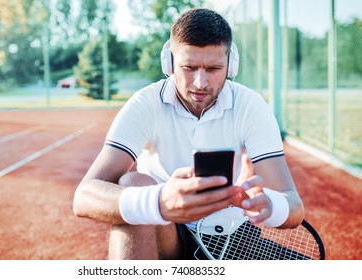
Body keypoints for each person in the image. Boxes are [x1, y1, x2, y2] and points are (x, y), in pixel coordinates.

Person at [73, 8, 304, 260]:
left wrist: (267, 203)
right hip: (167, 231)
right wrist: (160, 203)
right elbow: (84, 197)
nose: (200, 83)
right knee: (133, 184)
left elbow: (294, 206)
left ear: (231, 63)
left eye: (214, 68)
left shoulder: (250, 106)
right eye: (189, 67)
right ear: (169, 62)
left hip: (234, 237)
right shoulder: (146, 103)